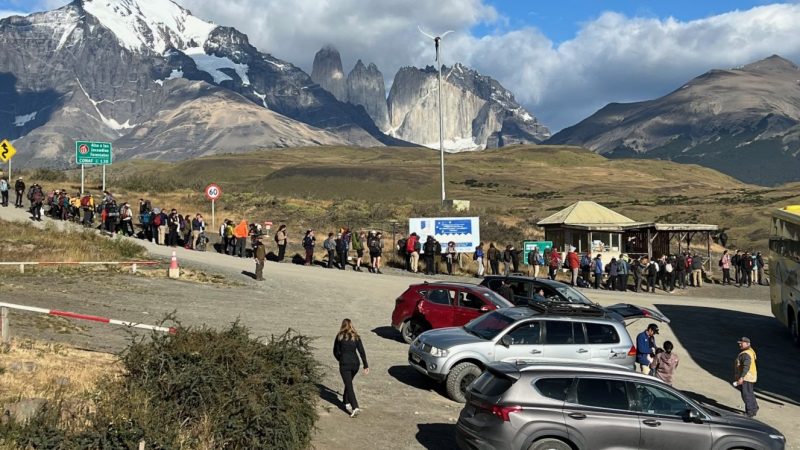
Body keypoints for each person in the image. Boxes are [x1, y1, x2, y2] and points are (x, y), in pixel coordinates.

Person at [333, 319, 369, 418]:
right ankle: (346, 400)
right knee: (348, 382)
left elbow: (335, 351)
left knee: (349, 385)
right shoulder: (356, 336)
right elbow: (362, 351)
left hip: (345, 364)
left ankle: (355, 407)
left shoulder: (339, 336)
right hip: (355, 364)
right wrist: (365, 365)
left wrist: (340, 359)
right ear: (351, 325)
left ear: (342, 325)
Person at [734, 337, 759, 417]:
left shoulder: (746, 354)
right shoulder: (751, 351)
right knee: (750, 393)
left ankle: (750, 412)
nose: (740, 344)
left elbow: (746, 366)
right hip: (751, 376)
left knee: (746, 394)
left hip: (746, 377)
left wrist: (741, 377)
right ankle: (754, 407)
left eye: (742, 343)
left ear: (748, 344)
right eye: (739, 343)